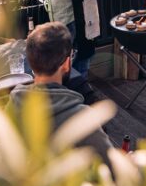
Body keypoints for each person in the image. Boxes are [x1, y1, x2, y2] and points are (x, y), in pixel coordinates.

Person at [8, 22, 113, 165]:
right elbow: (110, 166)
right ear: (65, 63)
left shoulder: (13, 106)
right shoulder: (83, 119)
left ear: (31, 62)